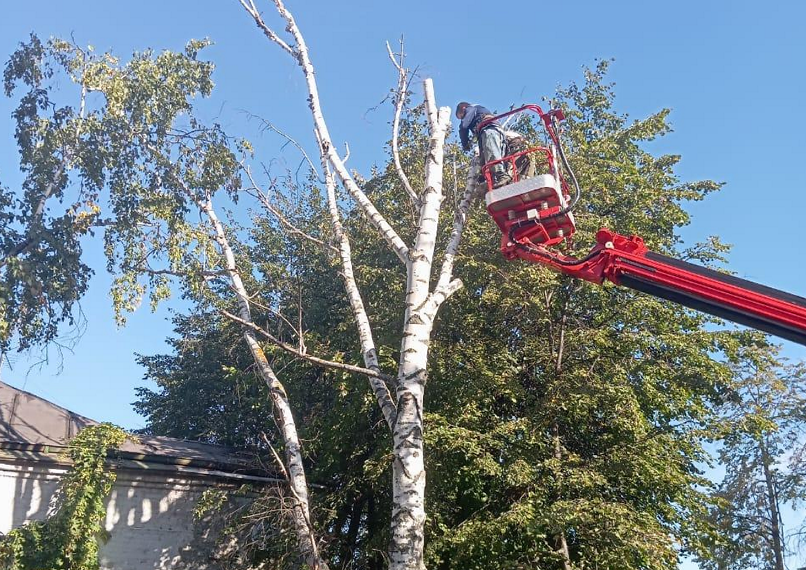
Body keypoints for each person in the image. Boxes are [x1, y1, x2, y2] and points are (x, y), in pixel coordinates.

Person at [456, 102, 512, 188]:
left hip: (490, 131)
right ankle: (488, 179)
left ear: (463, 108)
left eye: (461, 116)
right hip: (492, 132)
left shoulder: (471, 108)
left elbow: (463, 127)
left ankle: (502, 175)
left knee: (492, 152)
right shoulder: (477, 115)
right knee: (485, 157)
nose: (462, 119)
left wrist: (465, 144)